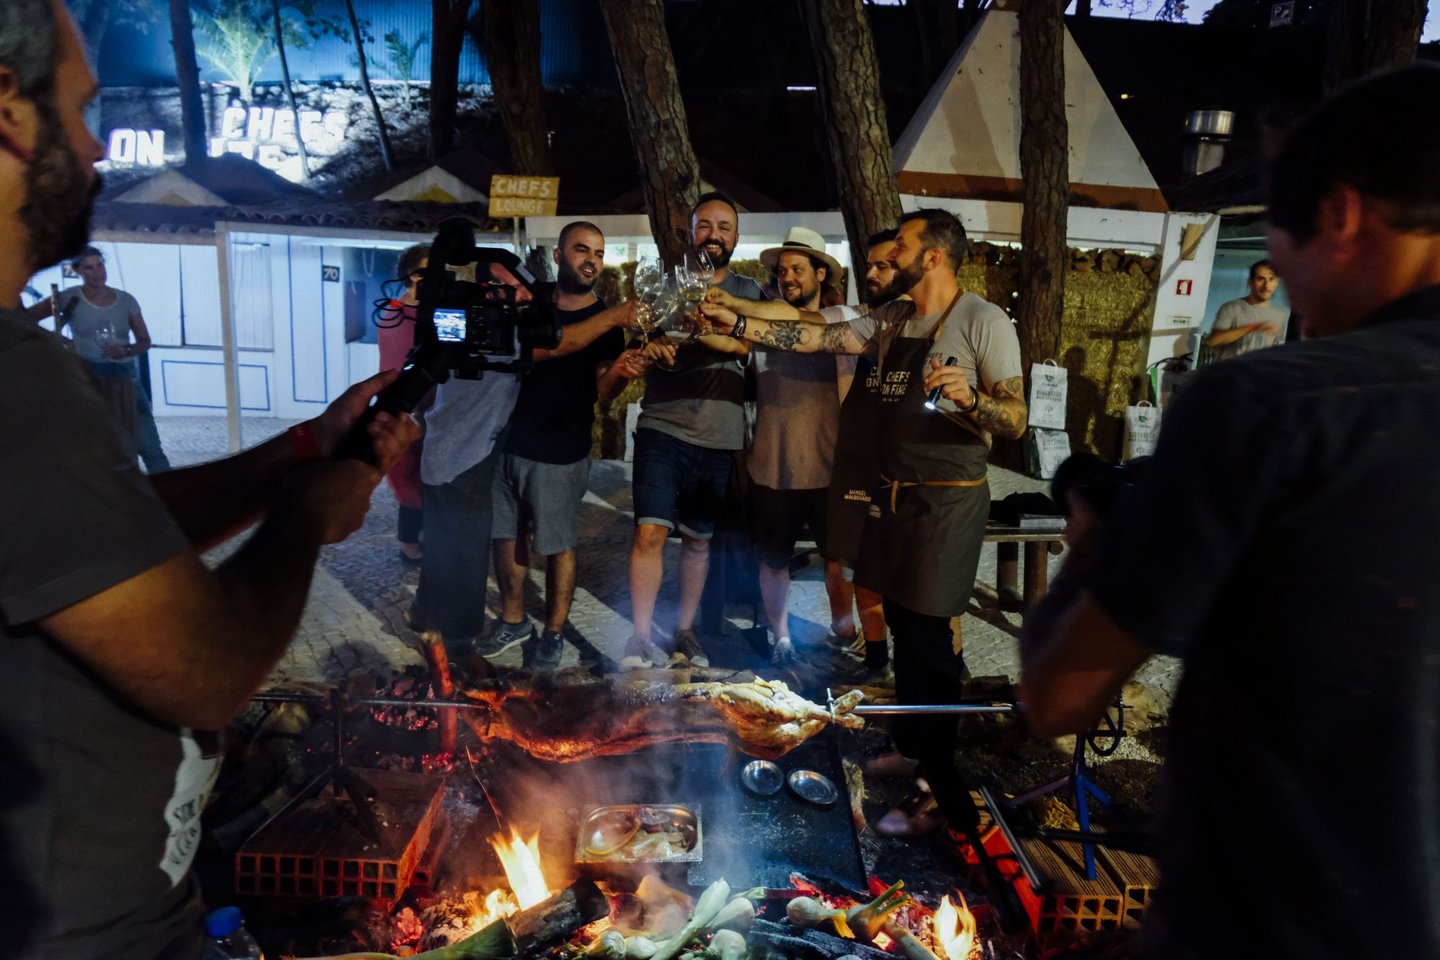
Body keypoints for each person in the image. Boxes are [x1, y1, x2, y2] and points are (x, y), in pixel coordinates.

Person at [0, 4, 421, 956]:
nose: (97, 146)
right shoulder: (15, 377)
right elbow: (207, 671)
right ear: (7, 108)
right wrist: (303, 520)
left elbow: (111, 538)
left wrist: (301, 450)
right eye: (80, 109)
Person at [1019, 65, 1440, 960]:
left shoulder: (1269, 405)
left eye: (1279, 249)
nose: (1282, 285)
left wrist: (1094, 544)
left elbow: (1059, 695)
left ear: (1340, 213)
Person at [701, 208, 1027, 838]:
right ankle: (911, 748)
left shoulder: (983, 320)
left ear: (932, 256)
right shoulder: (894, 318)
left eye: (901, 245)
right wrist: (738, 320)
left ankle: (943, 787)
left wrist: (975, 399)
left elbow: (1016, 418)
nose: (891, 254)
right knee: (900, 623)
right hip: (892, 496)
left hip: (946, 502)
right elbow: (818, 338)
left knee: (930, 639)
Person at [409, 254, 637, 661]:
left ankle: (432, 620)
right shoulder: (494, 328)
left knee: (449, 549)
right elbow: (560, 343)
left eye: (519, 285)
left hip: (461, 455)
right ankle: (453, 653)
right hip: (460, 460)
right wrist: (617, 315)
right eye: (503, 287)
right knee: (461, 558)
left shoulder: (478, 321)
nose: (516, 294)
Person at [489, 221, 647, 668]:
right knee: (505, 535)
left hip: (561, 450)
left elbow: (603, 391)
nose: (591, 260)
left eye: (599, 253)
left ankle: (554, 631)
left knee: (558, 544)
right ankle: (513, 619)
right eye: (582, 250)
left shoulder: (610, 324)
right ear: (558, 255)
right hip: (507, 440)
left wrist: (621, 373)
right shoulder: (533, 301)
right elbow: (534, 350)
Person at [622, 191, 759, 670]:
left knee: (699, 540)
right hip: (662, 425)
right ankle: (640, 637)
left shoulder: (751, 294)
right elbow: (637, 344)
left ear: (736, 237)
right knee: (649, 533)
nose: (713, 235)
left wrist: (709, 334)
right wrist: (653, 344)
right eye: (705, 226)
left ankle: (684, 632)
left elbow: (753, 349)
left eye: (724, 227)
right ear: (690, 233)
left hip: (719, 435)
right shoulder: (661, 288)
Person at [745, 226, 857, 666]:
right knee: (773, 561)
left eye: (797, 269)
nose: (787, 276)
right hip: (773, 466)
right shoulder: (763, 325)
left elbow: (800, 325)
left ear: (820, 273)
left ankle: (843, 633)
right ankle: (781, 638)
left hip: (830, 467)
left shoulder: (840, 319)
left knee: (837, 561)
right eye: (782, 270)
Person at [827, 229, 908, 679]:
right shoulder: (862, 321)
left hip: (905, 473)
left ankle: (944, 666)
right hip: (858, 466)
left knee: (917, 582)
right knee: (861, 573)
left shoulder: (929, 326)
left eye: (884, 265)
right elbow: (806, 326)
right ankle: (877, 661)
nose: (872, 274)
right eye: (869, 265)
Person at [27, 245, 170, 471]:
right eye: (89, 268)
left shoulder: (126, 301)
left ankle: (170, 491)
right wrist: (58, 340)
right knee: (99, 450)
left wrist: (126, 350)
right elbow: (25, 318)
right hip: (88, 379)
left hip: (126, 378)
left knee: (150, 447)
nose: (97, 272)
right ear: (78, 271)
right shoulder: (69, 297)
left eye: (99, 265)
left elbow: (144, 341)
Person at [379, 243, 430, 565]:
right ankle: (409, 542)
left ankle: (415, 538)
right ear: (414, 276)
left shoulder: (403, 310)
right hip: (407, 409)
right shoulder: (398, 315)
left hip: (426, 409)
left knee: (422, 476)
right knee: (410, 477)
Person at [1201, 258, 1288, 362]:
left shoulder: (1281, 314)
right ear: (1250, 282)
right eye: (1261, 279)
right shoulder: (1231, 308)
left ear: (1277, 282)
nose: (1266, 286)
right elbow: (1215, 340)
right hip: (1230, 370)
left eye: (1271, 279)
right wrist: (1252, 327)